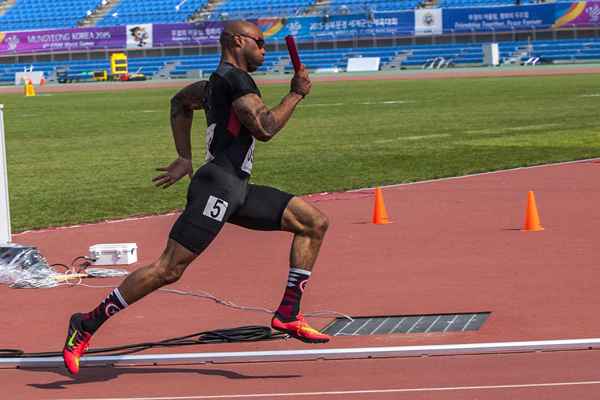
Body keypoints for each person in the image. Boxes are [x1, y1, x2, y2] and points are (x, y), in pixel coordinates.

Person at [62, 20, 331, 376]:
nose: (265, 51)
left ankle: (288, 314)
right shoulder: (235, 80)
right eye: (261, 43)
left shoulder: (214, 84)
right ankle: (85, 324)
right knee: (168, 269)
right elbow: (264, 127)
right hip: (217, 188)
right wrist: (295, 93)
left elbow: (179, 103)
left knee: (313, 222)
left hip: (237, 188)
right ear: (238, 41)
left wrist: (185, 157)